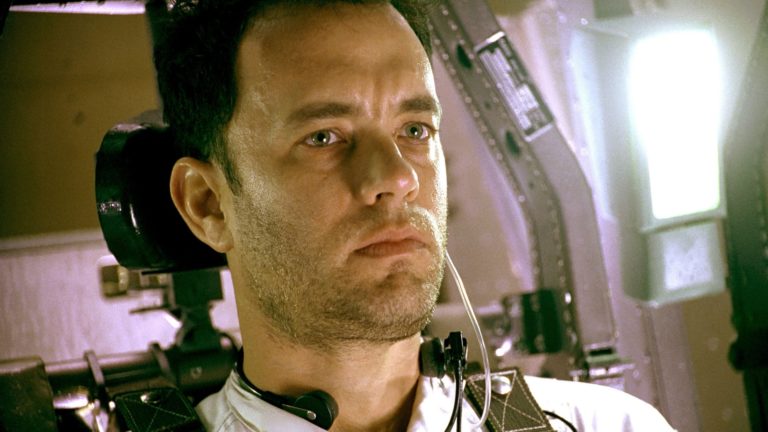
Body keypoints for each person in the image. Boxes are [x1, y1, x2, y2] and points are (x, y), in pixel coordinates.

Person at [154, 0, 677, 430]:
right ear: (208, 204)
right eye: (323, 137)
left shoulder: (606, 425)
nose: (398, 177)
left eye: (415, 130)